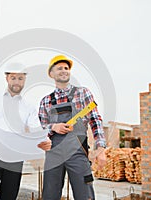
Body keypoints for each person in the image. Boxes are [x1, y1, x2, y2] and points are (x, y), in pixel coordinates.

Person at [0, 62, 51, 200]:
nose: (17, 82)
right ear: (7, 78)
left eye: (20, 78)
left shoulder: (29, 107)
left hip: (14, 157)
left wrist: (44, 140)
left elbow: (35, 130)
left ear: (25, 80)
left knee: (9, 196)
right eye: (13, 78)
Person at [38, 55, 107, 200]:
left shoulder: (82, 93)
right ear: (51, 74)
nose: (64, 71)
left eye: (66, 68)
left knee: (85, 194)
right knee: (49, 195)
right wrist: (54, 127)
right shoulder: (45, 101)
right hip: (53, 153)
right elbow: (41, 128)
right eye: (59, 68)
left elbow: (95, 120)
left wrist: (101, 149)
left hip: (77, 151)